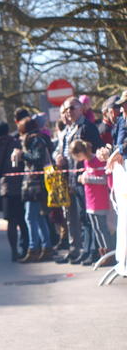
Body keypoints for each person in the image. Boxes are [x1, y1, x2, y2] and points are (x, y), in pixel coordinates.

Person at [53, 96, 102, 264]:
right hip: (72, 176)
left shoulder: (87, 127)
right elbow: (63, 150)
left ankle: (93, 251)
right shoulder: (70, 128)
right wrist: (59, 157)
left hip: (84, 176)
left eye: (72, 108)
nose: (69, 112)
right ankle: (85, 250)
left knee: (89, 217)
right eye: (66, 109)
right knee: (81, 217)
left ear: (81, 109)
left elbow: (95, 150)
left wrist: (87, 168)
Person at [13, 118, 54, 263]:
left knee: (30, 217)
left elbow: (37, 158)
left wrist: (22, 155)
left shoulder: (35, 140)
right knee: (40, 216)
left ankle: (33, 249)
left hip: (35, 184)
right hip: (36, 183)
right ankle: (46, 247)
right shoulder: (37, 139)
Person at [0, 122, 28, 261]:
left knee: (11, 222)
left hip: (6, 189)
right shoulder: (16, 144)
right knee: (23, 221)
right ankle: (26, 249)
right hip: (22, 186)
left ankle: (14, 252)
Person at [70, 140, 114, 266]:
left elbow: (104, 179)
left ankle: (110, 255)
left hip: (99, 200)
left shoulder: (98, 160)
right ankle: (103, 253)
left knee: (102, 229)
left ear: (81, 152)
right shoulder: (86, 161)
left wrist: (87, 179)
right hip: (90, 200)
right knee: (96, 229)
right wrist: (84, 176)